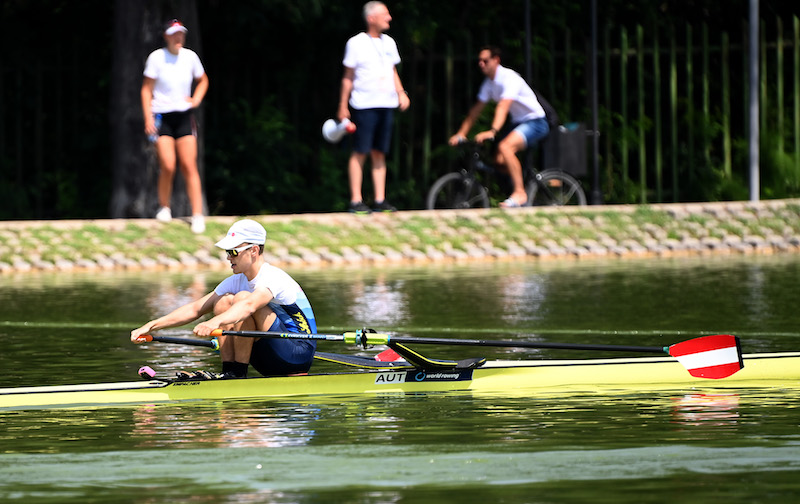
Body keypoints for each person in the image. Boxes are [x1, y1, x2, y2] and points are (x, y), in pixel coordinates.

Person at [131, 219, 318, 379]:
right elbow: (195, 309)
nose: (228, 257)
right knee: (222, 301)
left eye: (233, 252)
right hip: (268, 354)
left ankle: (237, 374)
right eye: (227, 252)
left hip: (296, 354)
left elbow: (249, 305)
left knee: (242, 298)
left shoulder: (273, 277)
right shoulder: (236, 281)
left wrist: (214, 322)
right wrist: (151, 325)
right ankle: (232, 372)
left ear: (253, 250)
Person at [449, 46, 549, 208]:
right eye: (479, 61)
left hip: (536, 122)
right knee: (499, 160)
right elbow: (475, 111)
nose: (481, 64)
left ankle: (520, 193)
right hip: (519, 123)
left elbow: (503, 106)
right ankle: (522, 182)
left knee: (505, 147)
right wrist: (461, 134)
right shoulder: (489, 84)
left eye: (485, 61)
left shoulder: (509, 78)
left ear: (496, 60)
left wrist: (493, 131)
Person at [337, 1, 411, 214]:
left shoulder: (389, 43)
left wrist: (401, 93)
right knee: (360, 151)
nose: (389, 18)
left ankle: (380, 199)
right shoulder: (356, 43)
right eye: (385, 14)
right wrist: (343, 105)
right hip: (364, 104)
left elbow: (392, 71)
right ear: (372, 18)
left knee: (380, 152)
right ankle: (356, 200)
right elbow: (348, 77)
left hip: (385, 103)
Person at [141, 19, 209, 233]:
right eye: (174, 33)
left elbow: (203, 80)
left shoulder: (190, 57)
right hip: (162, 117)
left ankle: (198, 215)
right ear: (166, 36)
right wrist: (148, 118)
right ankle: (164, 207)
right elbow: (146, 90)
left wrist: (196, 99)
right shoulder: (156, 58)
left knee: (189, 165)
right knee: (168, 165)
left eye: (181, 33)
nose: (178, 37)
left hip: (184, 116)